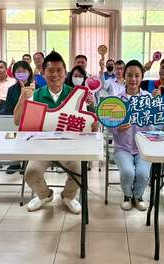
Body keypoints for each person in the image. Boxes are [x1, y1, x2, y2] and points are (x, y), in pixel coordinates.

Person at [23, 51, 98, 214]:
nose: (55, 74)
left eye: (59, 70)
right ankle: (44, 195)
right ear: (43, 73)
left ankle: (69, 196)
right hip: (42, 148)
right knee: (30, 173)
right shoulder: (35, 95)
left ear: (65, 73)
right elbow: (28, 125)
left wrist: (92, 127)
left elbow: (84, 127)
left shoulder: (76, 96)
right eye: (50, 70)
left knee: (79, 171)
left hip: (69, 148)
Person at [112, 60, 152, 211]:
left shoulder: (149, 99)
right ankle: (127, 195)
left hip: (144, 148)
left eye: (137, 75)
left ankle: (138, 196)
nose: (133, 79)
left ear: (142, 77)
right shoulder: (117, 100)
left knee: (142, 174)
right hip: (123, 147)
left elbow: (156, 126)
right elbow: (109, 127)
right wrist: (118, 127)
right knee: (128, 172)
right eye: (129, 75)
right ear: (124, 76)